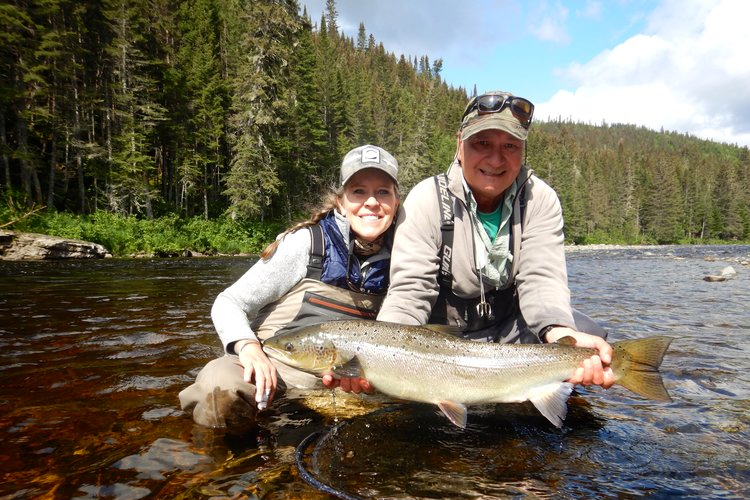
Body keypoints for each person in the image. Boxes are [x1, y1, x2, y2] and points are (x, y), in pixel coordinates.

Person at [376, 90, 615, 389]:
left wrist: (558, 332)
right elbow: (410, 292)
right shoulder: (428, 200)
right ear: (459, 145)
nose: (496, 159)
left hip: (511, 335)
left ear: (522, 150)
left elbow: (542, 280)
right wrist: (381, 356)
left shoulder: (539, 199)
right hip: (444, 347)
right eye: (482, 143)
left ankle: (551, 393)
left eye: (510, 146)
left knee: (588, 335)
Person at [179, 145, 400, 432]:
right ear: (341, 202)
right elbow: (229, 302)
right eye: (358, 191)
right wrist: (248, 348)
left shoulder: (407, 255)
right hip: (277, 370)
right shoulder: (306, 244)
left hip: (349, 384)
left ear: (397, 202)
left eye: (383, 192)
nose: (371, 201)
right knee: (219, 389)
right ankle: (219, 467)